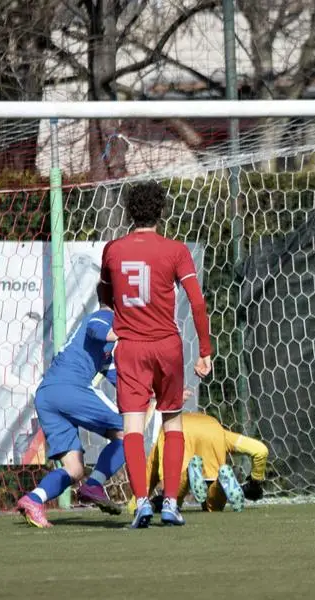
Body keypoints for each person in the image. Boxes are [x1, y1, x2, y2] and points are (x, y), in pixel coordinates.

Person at [99, 181, 213, 528]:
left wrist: (116, 316)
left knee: (133, 425)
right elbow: (197, 302)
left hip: (130, 347)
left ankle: (142, 503)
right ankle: (171, 504)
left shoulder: (113, 250)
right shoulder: (175, 250)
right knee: (172, 421)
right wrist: (205, 351)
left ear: (129, 212)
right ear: (161, 211)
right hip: (166, 346)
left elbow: (103, 295)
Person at [16, 306, 126, 528]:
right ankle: (94, 484)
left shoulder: (105, 349)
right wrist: (127, 332)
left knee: (74, 468)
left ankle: (34, 499)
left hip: (47, 396)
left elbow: (121, 381)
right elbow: (96, 329)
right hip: (69, 389)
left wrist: (161, 394)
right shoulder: (105, 316)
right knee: (129, 431)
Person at [132, 409, 269, 514]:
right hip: (212, 428)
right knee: (212, 508)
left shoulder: (155, 451)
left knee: (172, 500)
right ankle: (221, 483)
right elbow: (260, 450)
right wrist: (255, 481)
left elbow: (138, 496)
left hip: (176, 429)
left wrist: (133, 506)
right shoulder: (220, 432)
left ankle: (187, 473)